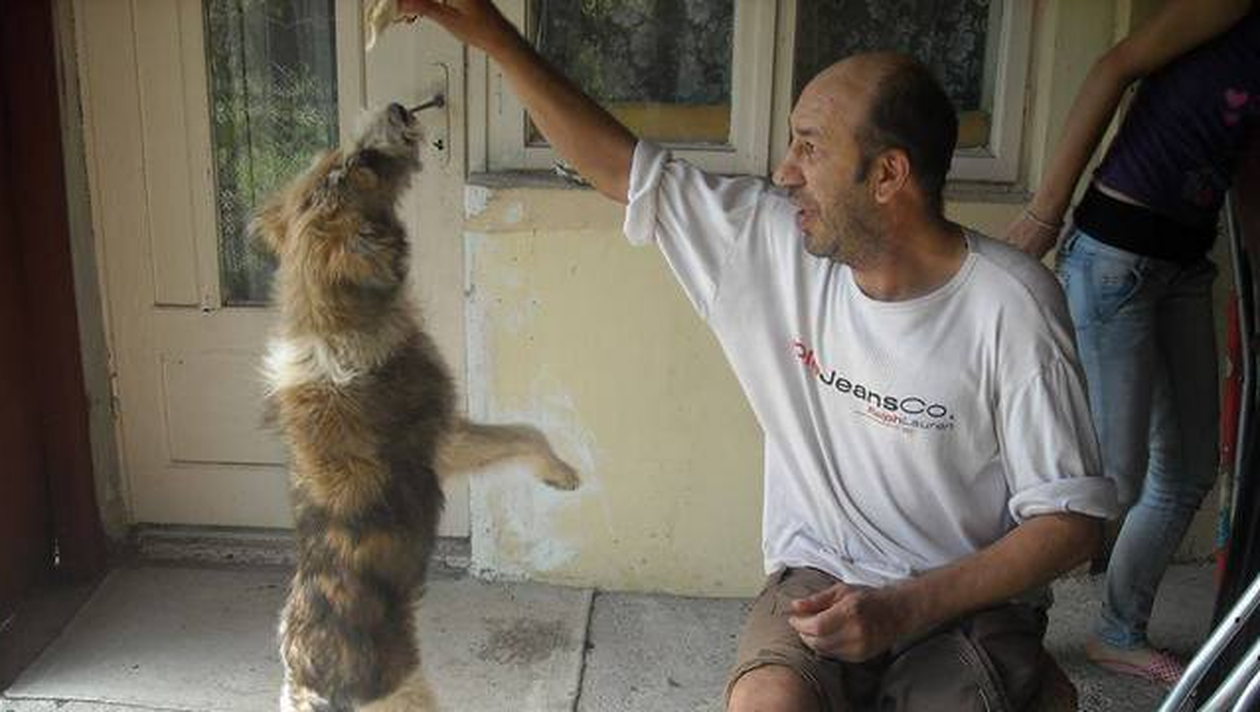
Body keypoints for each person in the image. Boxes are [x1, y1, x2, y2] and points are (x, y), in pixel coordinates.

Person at [402, 1, 1119, 708]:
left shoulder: (1010, 305)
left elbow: (1070, 522)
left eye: (810, 147)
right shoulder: (770, 246)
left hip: (962, 602)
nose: (784, 172)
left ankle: (1033, 686)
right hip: (820, 575)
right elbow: (623, 169)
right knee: (766, 702)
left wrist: (904, 608)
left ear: (888, 175)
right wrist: (494, 37)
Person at [1005, 0, 1258, 687]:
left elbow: (1246, 167)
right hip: (1115, 254)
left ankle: (1118, 632)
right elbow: (1113, 67)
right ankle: (1002, 616)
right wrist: (1044, 216)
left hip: (1183, 265)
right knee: (1105, 476)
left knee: (1188, 470)